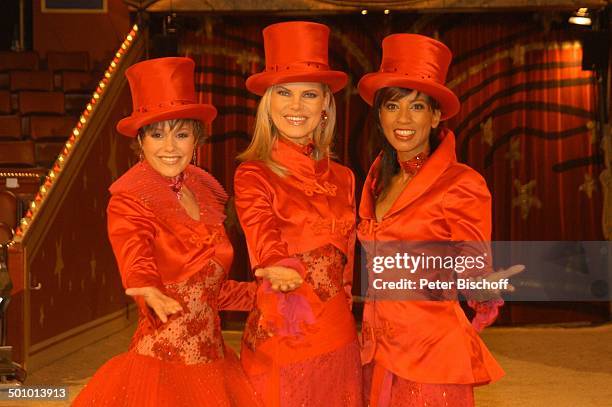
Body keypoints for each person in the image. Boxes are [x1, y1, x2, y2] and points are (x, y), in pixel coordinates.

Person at [72, 57, 267, 407]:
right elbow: (134, 250)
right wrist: (145, 285)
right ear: (141, 141)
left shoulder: (204, 190)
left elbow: (208, 290)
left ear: (197, 138)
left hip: (215, 364)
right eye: (157, 134)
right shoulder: (130, 198)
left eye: (181, 133)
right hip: (161, 369)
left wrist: (262, 295)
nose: (170, 147)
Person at [356, 34, 523, 406]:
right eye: (392, 106)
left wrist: (483, 288)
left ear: (435, 116)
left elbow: (472, 259)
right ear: (379, 114)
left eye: (416, 107)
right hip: (378, 348)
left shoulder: (461, 183)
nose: (403, 119)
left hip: (429, 354)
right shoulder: (376, 178)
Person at [233, 21, 362, 407]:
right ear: (268, 103)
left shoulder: (344, 177)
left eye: (309, 94)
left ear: (326, 103)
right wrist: (276, 264)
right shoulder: (253, 172)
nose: (295, 106)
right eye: (284, 93)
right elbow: (261, 233)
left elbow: (349, 261)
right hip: (284, 330)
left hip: (339, 331)